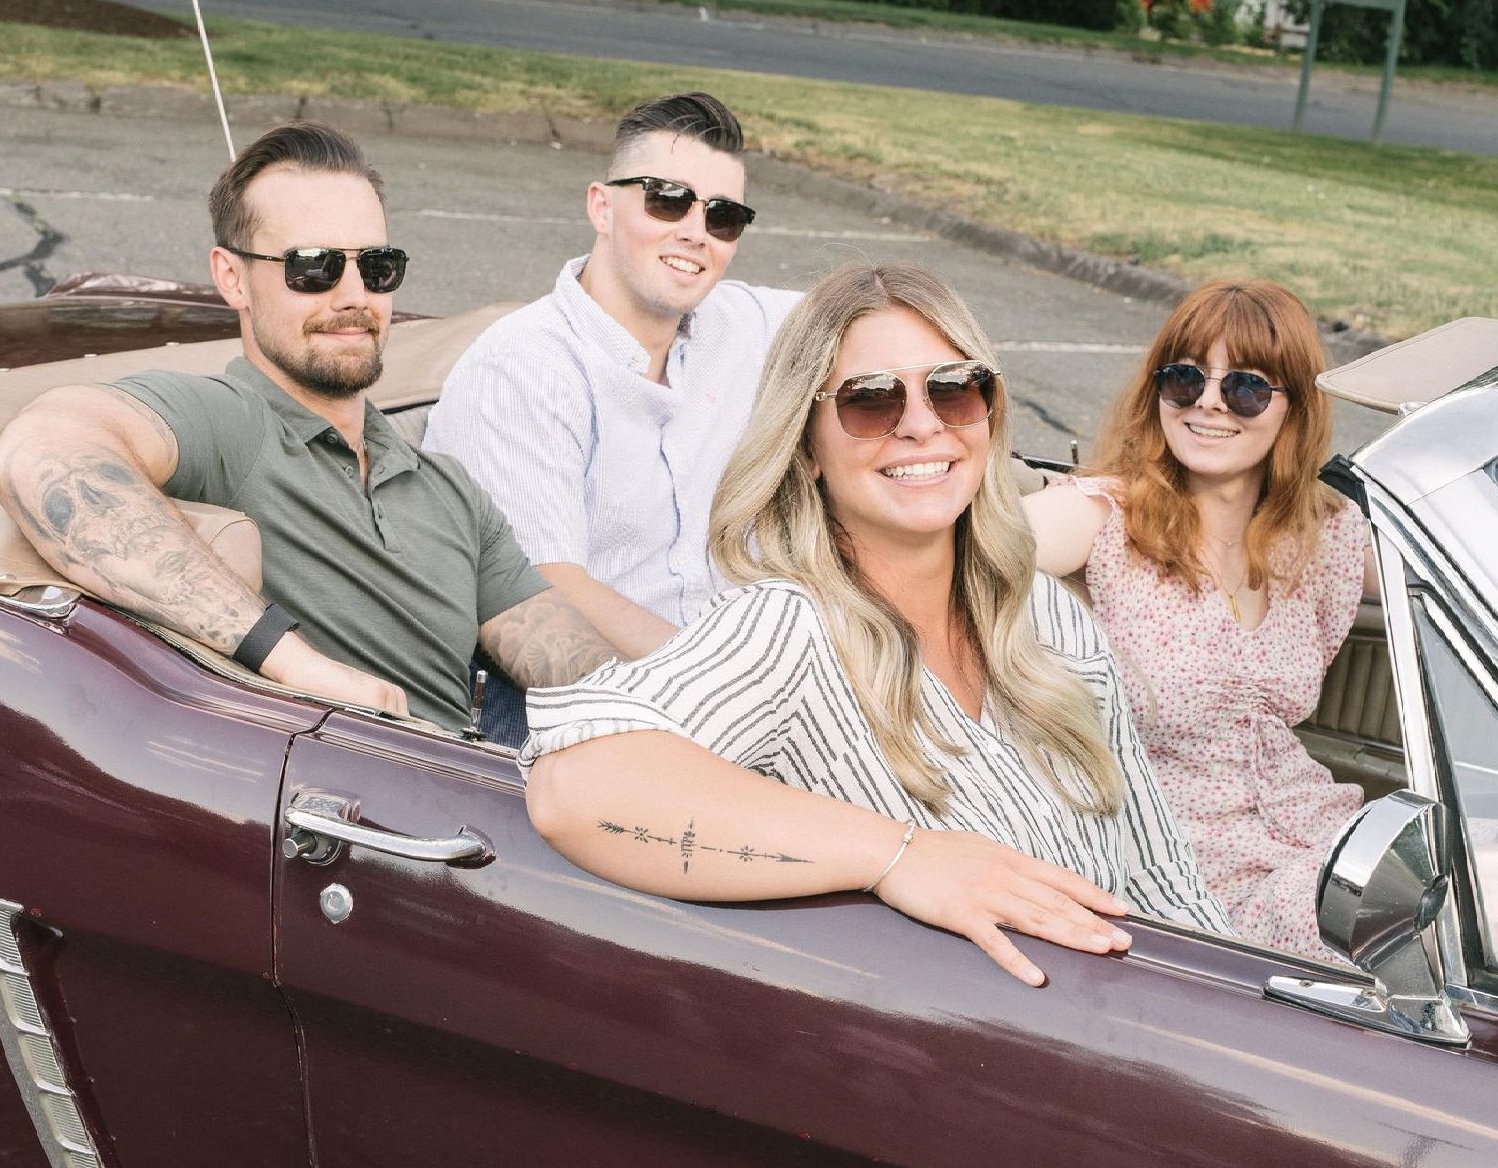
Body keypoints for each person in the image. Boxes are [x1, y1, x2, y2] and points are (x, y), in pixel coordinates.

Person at [520, 261, 1229, 987]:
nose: (921, 425)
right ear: (806, 450)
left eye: (954, 389)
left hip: (1136, 1041)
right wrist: (903, 854)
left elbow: (1165, 883)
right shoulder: (788, 626)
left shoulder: (1045, 614)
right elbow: (575, 790)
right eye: (869, 401)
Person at [0, 121, 616, 733]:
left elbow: (564, 657)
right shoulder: (231, 424)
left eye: (377, 266)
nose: (352, 296)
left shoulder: (447, 487)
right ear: (233, 277)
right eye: (312, 268)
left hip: (483, 795)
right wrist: (292, 662)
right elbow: (40, 454)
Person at [1022, 279, 1369, 963]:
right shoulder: (1105, 518)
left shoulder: (1324, 534)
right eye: (1184, 380)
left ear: (1292, 409)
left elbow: (1458, 571)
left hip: (1320, 833)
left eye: (1243, 388)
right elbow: (966, 546)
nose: (1208, 403)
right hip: (1192, 887)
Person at [423, 92, 801, 658]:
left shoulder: (745, 323)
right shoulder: (524, 366)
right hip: (583, 702)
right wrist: (721, 682)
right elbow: (544, 591)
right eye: (668, 201)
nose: (697, 232)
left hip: (745, 668)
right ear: (602, 207)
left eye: (724, 216)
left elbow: (875, 311)